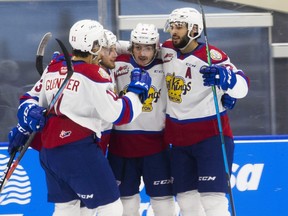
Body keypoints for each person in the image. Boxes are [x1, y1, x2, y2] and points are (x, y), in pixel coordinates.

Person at [7, 19, 152, 216]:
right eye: (101, 45)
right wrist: (137, 92)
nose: (105, 51)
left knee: (67, 208)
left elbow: (29, 99)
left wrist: (27, 118)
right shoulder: (94, 74)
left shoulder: (54, 68)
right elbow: (118, 113)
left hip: (50, 153)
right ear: (94, 47)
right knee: (111, 207)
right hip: (77, 150)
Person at [161, 8, 249, 216]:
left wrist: (224, 79)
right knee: (187, 203)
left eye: (179, 27)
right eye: (172, 26)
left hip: (210, 138)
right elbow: (134, 48)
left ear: (194, 30)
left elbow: (242, 86)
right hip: (179, 140)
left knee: (213, 203)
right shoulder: (165, 50)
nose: (174, 31)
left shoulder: (211, 55)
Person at [107, 23, 176, 216]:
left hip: (157, 145)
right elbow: (98, 49)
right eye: (137, 47)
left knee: (163, 203)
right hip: (121, 144)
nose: (142, 53)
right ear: (131, 46)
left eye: (148, 48)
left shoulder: (167, 61)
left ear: (157, 47)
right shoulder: (117, 62)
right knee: (126, 204)